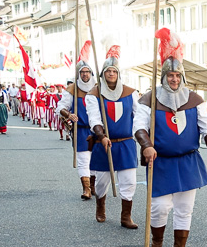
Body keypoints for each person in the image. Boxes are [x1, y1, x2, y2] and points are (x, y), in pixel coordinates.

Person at [134, 45, 207, 247]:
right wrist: (146, 145)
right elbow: (139, 127)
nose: (174, 79)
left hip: (188, 160)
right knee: (160, 207)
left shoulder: (194, 99)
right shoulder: (149, 99)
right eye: (170, 75)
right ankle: (156, 245)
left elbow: (206, 127)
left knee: (184, 209)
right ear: (163, 77)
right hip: (160, 161)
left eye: (177, 75)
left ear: (182, 76)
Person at [85, 52, 145, 229]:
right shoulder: (94, 95)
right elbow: (94, 119)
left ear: (118, 74)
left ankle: (126, 216)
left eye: (114, 71)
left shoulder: (130, 93)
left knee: (129, 181)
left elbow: (139, 115)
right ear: (103, 73)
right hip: (104, 144)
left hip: (126, 143)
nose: (111, 74)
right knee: (102, 182)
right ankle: (100, 206)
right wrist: (102, 136)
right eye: (108, 71)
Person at [58, 62, 96, 200]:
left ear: (91, 73)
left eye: (87, 71)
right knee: (83, 160)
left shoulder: (98, 88)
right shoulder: (72, 89)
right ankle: (86, 189)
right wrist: (68, 114)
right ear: (78, 74)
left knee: (95, 160)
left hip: (97, 130)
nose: (85, 74)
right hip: (81, 130)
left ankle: (93, 186)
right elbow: (61, 107)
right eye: (82, 72)